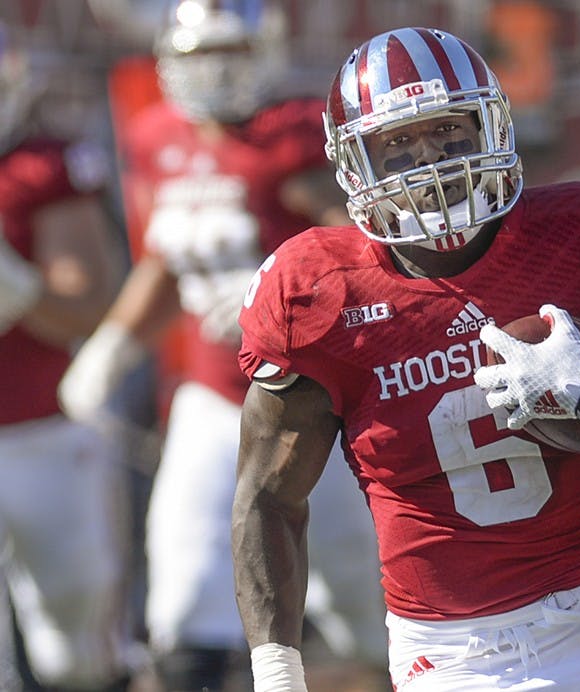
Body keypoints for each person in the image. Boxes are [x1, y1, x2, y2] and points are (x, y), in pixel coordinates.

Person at [233, 26, 580, 691]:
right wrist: (276, 672)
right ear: (355, 165)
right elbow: (267, 496)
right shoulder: (318, 291)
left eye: (449, 132)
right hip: (456, 653)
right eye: (399, 143)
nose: (431, 161)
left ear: (492, 125)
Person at [57, 2, 385, 689]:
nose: (216, 72)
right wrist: (114, 343)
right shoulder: (155, 136)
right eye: (200, 55)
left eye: (231, 53)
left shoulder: (294, 136)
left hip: (315, 404)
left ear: (263, 51)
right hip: (211, 403)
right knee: (185, 586)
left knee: (368, 603)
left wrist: (270, 301)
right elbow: (169, 258)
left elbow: (369, 259)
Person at [0, 19, 137, 690]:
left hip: (41, 432)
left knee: (73, 647)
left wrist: (19, 289)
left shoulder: (41, 167)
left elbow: (85, 305)